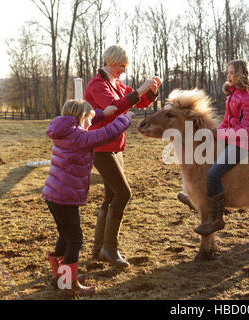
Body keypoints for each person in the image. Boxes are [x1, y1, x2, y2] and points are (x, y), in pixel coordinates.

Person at [42, 99, 134, 296]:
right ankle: (69, 285)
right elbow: (104, 134)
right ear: (80, 118)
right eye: (88, 119)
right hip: (65, 196)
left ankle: (60, 277)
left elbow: (90, 121)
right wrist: (124, 119)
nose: (90, 124)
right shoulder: (78, 136)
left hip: (54, 194)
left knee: (65, 237)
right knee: (75, 240)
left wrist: (101, 113)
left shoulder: (63, 129)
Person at [85, 45, 162, 268]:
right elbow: (114, 108)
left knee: (110, 196)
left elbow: (140, 101)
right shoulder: (98, 85)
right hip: (100, 146)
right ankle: (109, 247)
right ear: (110, 61)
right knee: (123, 193)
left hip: (116, 146)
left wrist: (152, 89)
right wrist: (139, 90)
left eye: (125, 67)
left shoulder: (117, 84)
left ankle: (99, 248)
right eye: (121, 66)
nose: (123, 71)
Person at [194, 59, 249, 236]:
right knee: (201, 157)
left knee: (213, 174)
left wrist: (219, 135)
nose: (228, 76)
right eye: (228, 73)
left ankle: (217, 219)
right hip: (230, 138)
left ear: (241, 74)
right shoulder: (234, 94)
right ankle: (200, 199)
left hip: (243, 143)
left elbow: (243, 131)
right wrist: (213, 133)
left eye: (232, 73)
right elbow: (227, 121)